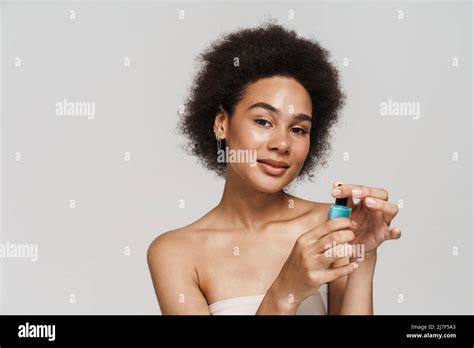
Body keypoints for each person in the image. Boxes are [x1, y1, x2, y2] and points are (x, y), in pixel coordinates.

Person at [147, 22, 401, 315]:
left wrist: (364, 257)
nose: (282, 143)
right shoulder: (175, 253)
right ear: (222, 123)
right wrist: (285, 292)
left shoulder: (331, 227)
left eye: (298, 129)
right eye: (263, 122)